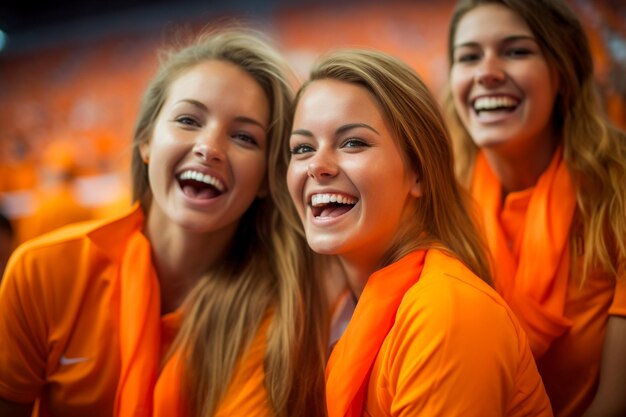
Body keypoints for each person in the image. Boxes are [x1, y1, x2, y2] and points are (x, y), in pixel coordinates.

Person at [0, 28, 327, 417]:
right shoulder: (44, 270)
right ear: (146, 143)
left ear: (264, 181)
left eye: (244, 137)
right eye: (189, 119)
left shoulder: (284, 311)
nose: (209, 147)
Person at [286, 48, 552, 416]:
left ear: (419, 172)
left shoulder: (445, 311)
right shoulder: (326, 309)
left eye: (353, 143)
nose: (317, 165)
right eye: (301, 148)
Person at [445, 1, 626, 416]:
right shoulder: (439, 205)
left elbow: (616, 403)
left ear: (561, 73)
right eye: (468, 56)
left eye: (516, 51)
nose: (486, 72)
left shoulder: (617, 195)